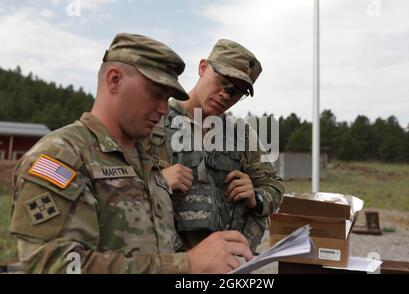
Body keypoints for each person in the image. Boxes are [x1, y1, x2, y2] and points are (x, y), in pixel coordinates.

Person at [9, 33, 252, 274]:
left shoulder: (145, 163)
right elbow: (52, 266)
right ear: (114, 80)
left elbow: (160, 248)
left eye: (168, 99)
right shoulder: (61, 156)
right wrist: (188, 264)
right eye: (157, 94)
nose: (165, 109)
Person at [144, 39, 284, 252]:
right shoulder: (153, 121)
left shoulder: (242, 135)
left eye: (237, 91)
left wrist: (255, 196)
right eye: (222, 80)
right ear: (202, 68)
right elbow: (112, 190)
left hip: (225, 264)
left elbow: (275, 186)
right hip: (168, 262)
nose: (226, 95)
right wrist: (158, 183)